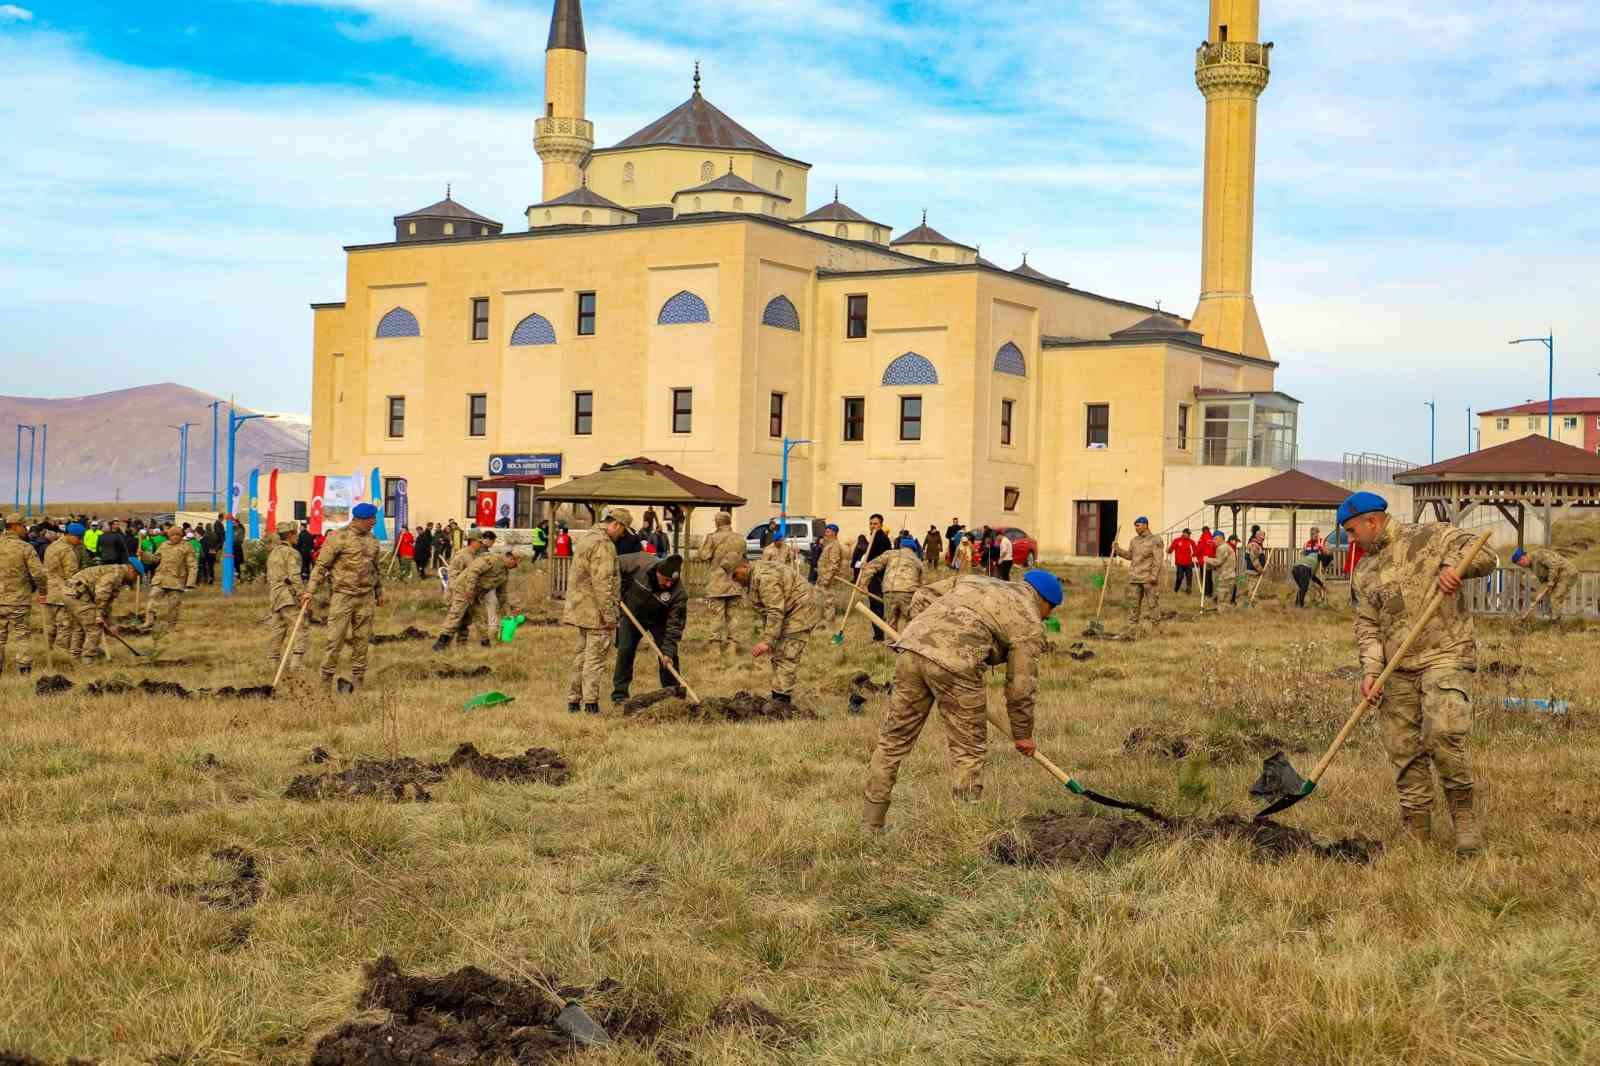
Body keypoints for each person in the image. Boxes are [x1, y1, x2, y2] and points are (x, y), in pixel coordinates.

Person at [1341, 491, 1496, 854]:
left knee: (1443, 733)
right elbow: (1367, 626)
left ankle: (1464, 819)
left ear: (1372, 521)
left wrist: (1454, 567)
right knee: (1403, 748)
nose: (1350, 540)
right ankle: (1417, 831)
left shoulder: (1433, 536)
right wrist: (1371, 671)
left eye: (1351, 531)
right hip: (1397, 669)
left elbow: (1486, 554)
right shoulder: (1364, 571)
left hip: (1445, 654)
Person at [862, 570, 1061, 829]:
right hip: (957, 663)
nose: (1050, 616)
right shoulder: (1029, 621)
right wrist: (1023, 733)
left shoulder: (974, 580)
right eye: (1051, 609)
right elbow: (1021, 686)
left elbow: (924, 594)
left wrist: (927, 632)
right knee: (968, 750)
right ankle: (965, 829)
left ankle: (870, 826)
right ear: (1043, 600)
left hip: (911, 647)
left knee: (892, 741)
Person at [303, 503, 384, 693]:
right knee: (335, 641)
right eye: (372, 519)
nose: (374, 522)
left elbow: (376, 569)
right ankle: (325, 683)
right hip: (343, 597)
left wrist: (379, 593)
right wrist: (310, 591)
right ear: (361, 519)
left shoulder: (373, 541)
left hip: (365, 597)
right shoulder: (338, 537)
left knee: (362, 641)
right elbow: (321, 566)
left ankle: (358, 682)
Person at [726, 556, 817, 706]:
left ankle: (781, 703)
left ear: (743, 566)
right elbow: (766, 611)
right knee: (779, 653)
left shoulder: (764, 577)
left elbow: (775, 610)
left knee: (786, 655)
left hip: (802, 611)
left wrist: (767, 641)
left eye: (735, 574)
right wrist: (771, 640)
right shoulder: (753, 577)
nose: (734, 580)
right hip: (790, 611)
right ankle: (779, 696)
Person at [563, 508, 629, 714]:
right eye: (623, 530)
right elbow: (603, 584)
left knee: (580, 657)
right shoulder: (604, 545)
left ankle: (573, 701)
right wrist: (610, 616)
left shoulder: (587, 539)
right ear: (616, 524)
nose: (623, 535)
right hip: (596, 613)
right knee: (595, 660)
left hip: (580, 609)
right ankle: (590, 704)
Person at [611, 553, 687, 705]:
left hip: (660, 621)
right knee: (625, 650)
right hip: (631, 613)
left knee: (668, 657)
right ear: (658, 572)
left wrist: (668, 652)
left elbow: (675, 626)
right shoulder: (639, 563)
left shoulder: (678, 593)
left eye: (672, 581)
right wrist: (617, 590)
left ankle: (673, 694)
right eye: (666, 580)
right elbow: (612, 565)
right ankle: (620, 695)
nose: (669, 585)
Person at [434, 551, 521, 650]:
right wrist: (469, 590)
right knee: (456, 615)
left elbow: (502, 594)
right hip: (463, 590)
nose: (515, 567)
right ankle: (441, 643)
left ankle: (485, 644)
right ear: (511, 558)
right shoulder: (490, 561)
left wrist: (506, 613)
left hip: (476, 594)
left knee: (480, 617)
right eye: (515, 563)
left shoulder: (504, 574)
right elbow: (474, 572)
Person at [65, 560, 141, 661]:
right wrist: (98, 615)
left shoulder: (118, 573)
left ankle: (74, 658)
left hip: (71, 593)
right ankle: (87, 660)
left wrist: (110, 624)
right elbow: (102, 594)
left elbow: (108, 603)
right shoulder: (115, 574)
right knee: (94, 628)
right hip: (78, 595)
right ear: (132, 570)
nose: (135, 580)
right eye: (137, 575)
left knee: (80, 627)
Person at [0, 513, 48, 676]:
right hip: (18, 600)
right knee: (22, 635)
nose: (25, 530)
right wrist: (42, 591)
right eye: (23, 526)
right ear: (15, 526)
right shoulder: (25, 548)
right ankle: (24, 671)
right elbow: (39, 574)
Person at [697, 511, 746, 654]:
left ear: (717, 522)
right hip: (736, 581)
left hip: (717, 582)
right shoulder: (740, 539)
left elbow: (703, 555)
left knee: (716, 614)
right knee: (734, 615)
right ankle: (733, 644)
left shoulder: (713, 538)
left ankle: (715, 645)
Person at [266, 521, 310, 671]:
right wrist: (302, 594)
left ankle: (272, 662)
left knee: (278, 629)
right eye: (295, 534)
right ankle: (296, 664)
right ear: (291, 535)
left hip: (275, 595)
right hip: (288, 595)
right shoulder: (292, 553)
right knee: (301, 627)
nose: (297, 537)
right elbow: (294, 576)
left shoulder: (273, 552)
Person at [857, 540, 924, 635]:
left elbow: (871, 566)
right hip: (908, 592)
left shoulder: (890, 554)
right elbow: (921, 584)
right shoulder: (917, 560)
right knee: (911, 620)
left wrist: (863, 585)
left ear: (901, 546)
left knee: (890, 620)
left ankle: (891, 644)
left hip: (889, 591)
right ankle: (908, 645)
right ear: (914, 549)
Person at [140, 523, 194, 639]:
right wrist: (144, 555)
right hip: (160, 579)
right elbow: (155, 559)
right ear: (168, 535)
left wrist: (190, 582)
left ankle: (171, 627)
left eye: (177, 535)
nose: (175, 537)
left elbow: (193, 565)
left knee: (173, 606)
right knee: (152, 598)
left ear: (181, 536)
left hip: (176, 581)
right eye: (172, 535)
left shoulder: (186, 547)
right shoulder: (164, 545)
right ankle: (149, 621)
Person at [43, 521, 86, 660]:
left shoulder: (51, 546)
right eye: (79, 538)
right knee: (64, 627)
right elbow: (72, 575)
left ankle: (46, 656)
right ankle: (60, 658)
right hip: (63, 594)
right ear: (71, 536)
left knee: (50, 628)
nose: (80, 541)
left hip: (50, 593)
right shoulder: (67, 551)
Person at [1113, 517, 1162, 629]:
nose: (1136, 528)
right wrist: (1118, 550)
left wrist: (1154, 575)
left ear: (1145, 525)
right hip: (1135, 578)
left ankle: (1156, 627)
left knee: (1152, 604)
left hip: (1148, 578)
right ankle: (1133, 627)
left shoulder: (1155, 540)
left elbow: (1158, 560)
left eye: (1138, 525)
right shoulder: (1134, 541)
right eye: (1135, 525)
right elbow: (1130, 556)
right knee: (1133, 605)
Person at [1512, 547, 1575, 620]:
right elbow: (1543, 578)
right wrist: (1540, 592)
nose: (1522, 565)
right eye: (1519, 565)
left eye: (1521, 562)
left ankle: (1556, 622)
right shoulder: (1531, 565)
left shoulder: (1539, 555)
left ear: (1524, 557)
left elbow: (1554, 565)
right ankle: (1530, 617)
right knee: (1538, 597)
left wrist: (1551, 581)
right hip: (1554, 577)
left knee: (1555, 597)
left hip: (1566, 573)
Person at [862, 514, 892, 641]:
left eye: (875, 524)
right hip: (873, 576)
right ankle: (878, 635)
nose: (872, 526)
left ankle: (879, 636)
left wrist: (868, 564)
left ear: (881, 525)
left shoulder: (881, 539)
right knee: (876, 606)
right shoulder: (874, 538)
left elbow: (881, 560)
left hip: (877, 577)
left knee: (876, 606)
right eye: (871, 524)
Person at [813, 524, 847, 628]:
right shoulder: (829, 544)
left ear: (834, 533)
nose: (825, 533)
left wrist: (827, 578)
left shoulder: (835, 546)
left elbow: (834, 563)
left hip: (827, 579)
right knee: (817, 600)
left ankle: (830, 625)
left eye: (828, 531)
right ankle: (817, 623)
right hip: (821, 578)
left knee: (829, 602)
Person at [1292, 531, 1327, 607]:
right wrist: (1322, 585)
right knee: (1304, 587)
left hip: (1295, 568)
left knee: (1302, 587)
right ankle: (1300, 606)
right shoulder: (1316, 560)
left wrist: (1321, 585)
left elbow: (1312, 576)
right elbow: (1313, 577)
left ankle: (1296, 604)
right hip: (1304, 568)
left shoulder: (1311, 557)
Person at [1213, 533, 1243, 607]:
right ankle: (1228, 601)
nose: (1236, 543)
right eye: (1235, 541)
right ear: (1231, 540)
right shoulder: (1227, 547)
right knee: (1230, 586)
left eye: (1237, 542)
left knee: (1230, 586)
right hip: (1226, 571)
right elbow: (1220, 560)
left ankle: (1223, 600)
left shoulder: (1232, 547)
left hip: (1230, 570)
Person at [1167, 528, 1196, 592]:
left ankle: (1188, 590)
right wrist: (1168, 550)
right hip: (1179, 563)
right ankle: (1176, 589)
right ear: (1183, 533)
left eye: (1189, 534)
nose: (1188, 535)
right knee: (1180, 577)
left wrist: (1196, 556)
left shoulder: (1191, 542)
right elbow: (1171, 549)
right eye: (1187, 534)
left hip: (1189, 563)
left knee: (1189, 577)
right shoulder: (1177, 540)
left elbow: (1195, 551)